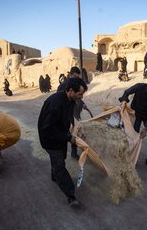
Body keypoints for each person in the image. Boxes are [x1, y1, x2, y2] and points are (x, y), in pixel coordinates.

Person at [38, 77, 88, 207]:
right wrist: (68, 138)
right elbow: (48, 128)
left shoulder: (70, 100)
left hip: (60, 135)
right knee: (59, 164)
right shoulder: (56, 103)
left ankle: (54, 175)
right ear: (71, 90)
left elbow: (68, 116)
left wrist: (73, 128)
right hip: (49, 139)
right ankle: (71, 195)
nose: (81, 97)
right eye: (80, 94)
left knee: (60, 158)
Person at [118, 75, 147, 168]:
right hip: (135, 113)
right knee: (134, 134)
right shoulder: (140, 86)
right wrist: (124, 101)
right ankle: (129, 157)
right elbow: (127, 92)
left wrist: (145, 127)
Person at [57, 67, 87, 159]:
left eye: (78, 77)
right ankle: (61, 153)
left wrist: (83, 104)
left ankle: (74, 152)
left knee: (75, 132)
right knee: (64, 133)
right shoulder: (62, 87)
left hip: (74, 113)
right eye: (74, 77)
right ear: (70, 75)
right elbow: (60, 101)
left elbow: (78, 97)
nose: (76, 79)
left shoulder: (78, 85)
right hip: (65, 115)